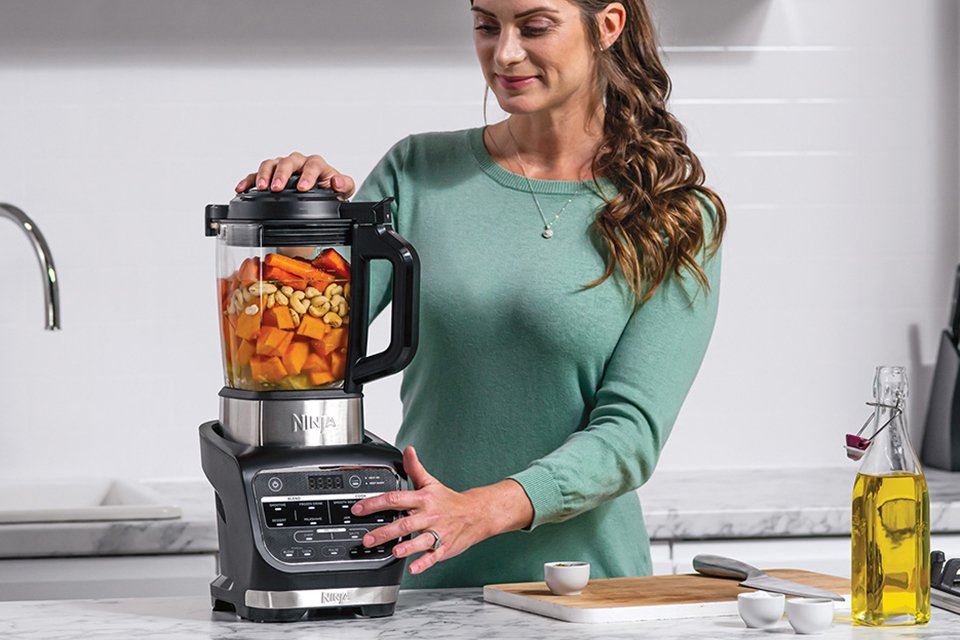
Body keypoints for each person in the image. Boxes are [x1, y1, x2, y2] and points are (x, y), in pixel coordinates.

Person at [235, 0, 726, 589]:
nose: (505, 53)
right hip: (423, 575)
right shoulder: (417, 170)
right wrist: (302, 216)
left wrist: (479, 511)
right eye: (487, 25)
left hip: (585, 592)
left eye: (535, 26)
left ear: (608, 26)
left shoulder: (673, 214)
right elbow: (300, 355)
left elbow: (629, 437)